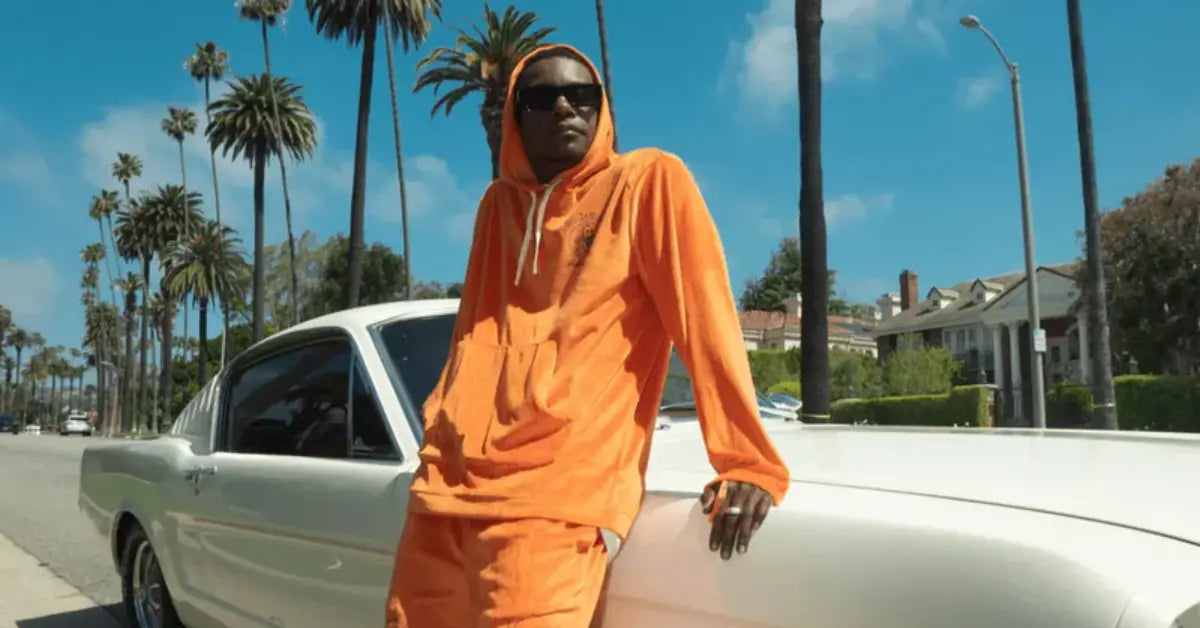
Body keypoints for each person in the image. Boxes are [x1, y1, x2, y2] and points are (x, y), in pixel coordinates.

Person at [385, 43, 790, 628]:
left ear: (603, 111)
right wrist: (440, 428)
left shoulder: (648, 181)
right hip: (441, 494)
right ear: (516, 118)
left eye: (582, 95)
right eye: (543, 98)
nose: (565, 108)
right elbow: (470, 338)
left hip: (553, 502)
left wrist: (748, 461)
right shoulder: (496, 207)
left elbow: (704, 318)